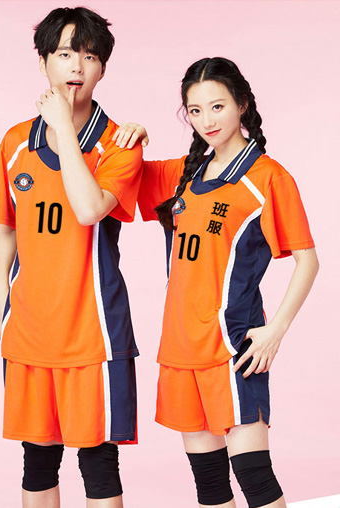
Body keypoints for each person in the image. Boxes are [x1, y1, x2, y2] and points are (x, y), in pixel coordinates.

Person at [115, 57, 319, 507]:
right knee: (209, 485)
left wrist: (275, 331)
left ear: (242, 104)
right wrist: (132, 135)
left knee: (255, 479)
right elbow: (117, 174)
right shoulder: (182, 174)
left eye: (217, 106)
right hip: (180, 348)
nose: (206, 120)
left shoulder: (268, 178)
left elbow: (308, 261)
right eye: (195, 110)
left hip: (230, 346)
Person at [0, 7, 144, 508]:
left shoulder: (120, 144)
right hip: (30, 330)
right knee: (37, 460)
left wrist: (63, 127)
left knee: (98, 463)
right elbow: (6, 224)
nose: (77, 65)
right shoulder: (15, 142)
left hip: (93, 333)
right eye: (64, 54)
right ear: (43, 62)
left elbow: (88, 209)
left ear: (102, 69)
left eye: (90, 56)